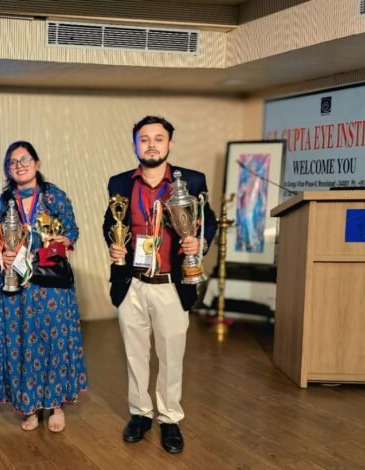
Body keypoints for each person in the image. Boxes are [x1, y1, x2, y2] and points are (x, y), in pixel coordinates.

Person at [103, 115, 217, 454]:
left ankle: (169, 419)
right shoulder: (119, 183)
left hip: (171, 284)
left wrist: (199, 242)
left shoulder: (192, 180)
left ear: (170, 144)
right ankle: (140, 413)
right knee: (135, 355)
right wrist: (114, 243)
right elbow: (111, 221)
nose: (151, 144)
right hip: (132, 283)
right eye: (144, 139)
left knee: (171, 357)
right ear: (135, 145)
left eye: (158, 138)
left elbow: (207, 220)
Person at [0, 141, 87, 432]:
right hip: (16, 285)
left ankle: (56, 405)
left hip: (51, 284)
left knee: (52, 343)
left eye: (25, 159)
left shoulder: (54, 196)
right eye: (13, 162)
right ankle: (28, 405)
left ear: (37, 163)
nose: (19, 165)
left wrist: (64, 240)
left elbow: (72, 230)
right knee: (21, 343)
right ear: (8, 169)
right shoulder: (3, 202)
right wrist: (1, 254)